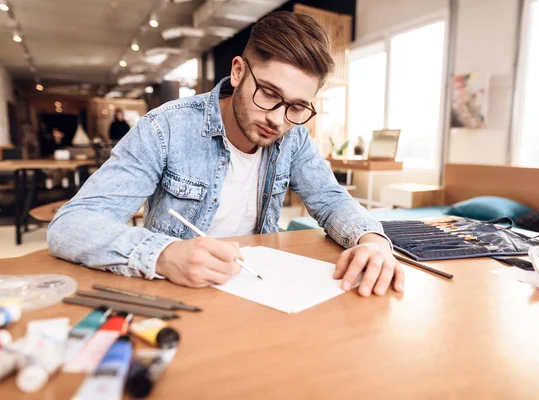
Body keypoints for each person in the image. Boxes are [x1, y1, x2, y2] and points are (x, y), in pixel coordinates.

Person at [48, 11, 405, 297]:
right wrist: (162, 254)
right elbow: (71, 226)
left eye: (297, 106)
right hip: (179, 294)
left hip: (259, 290)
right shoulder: (165, 128)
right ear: (238, 71)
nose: (278, 120)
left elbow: (330, 199)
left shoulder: (293, 135)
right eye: (267, 93)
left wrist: (371, 240)